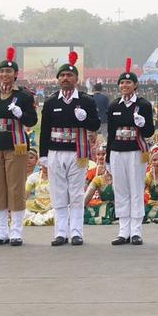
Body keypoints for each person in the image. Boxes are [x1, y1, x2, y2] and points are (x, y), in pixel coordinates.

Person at [0, 47, 38, 247]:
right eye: (2, 71)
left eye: (9, 71)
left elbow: (32, 120)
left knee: (16, 186)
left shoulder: (25, 96)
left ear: (16, 75)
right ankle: (1, 231)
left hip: (16, 144)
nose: (5, 75)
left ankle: (16, 230)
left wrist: (21, 114)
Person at [39, 51, 101, 246]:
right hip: (55, 151)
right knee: (58, 193)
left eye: (69, 75)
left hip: (77, 153)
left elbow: (95, 125)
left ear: (76, 79)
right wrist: (42, 155)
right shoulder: (50, 102)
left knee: (75, 193)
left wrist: (86, 119)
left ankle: (76, 232)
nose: (66, 78)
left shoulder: (86, 100)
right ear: (57, 79)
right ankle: (60, 232)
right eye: (62, 75)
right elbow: (45, 129)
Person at [106, 59, 155, 245]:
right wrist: (109, 156)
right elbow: (110, 133)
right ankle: (123, 230)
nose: (124, 85)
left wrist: (142, 124)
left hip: (135, 150)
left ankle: (136, 231)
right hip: (118, 150)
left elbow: (150, 131)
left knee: (135, 189)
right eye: (122, 82)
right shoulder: (114, 106)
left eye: (128, 82)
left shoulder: (143, 105)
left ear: (135, 85)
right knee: (120, 190)